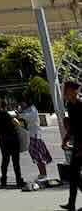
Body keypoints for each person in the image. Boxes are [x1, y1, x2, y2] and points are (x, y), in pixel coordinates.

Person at [0, 101, 25, 188]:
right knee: (15, 161)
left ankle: (3, 179)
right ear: (5, 106)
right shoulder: (7, 115)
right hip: (13, 138)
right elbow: (17, 123)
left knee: (5, 160)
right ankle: (18, 180)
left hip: (2, 139)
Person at [17, 98, 51, 181]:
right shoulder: (27, 110)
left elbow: (29, 117)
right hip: (31, 135)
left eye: (22, 103)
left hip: (35, 135)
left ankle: (44, 174)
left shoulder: (32, 109)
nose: (21, 105)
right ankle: (42, 173)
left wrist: (20, 114)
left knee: (39, 155)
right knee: (35, 156)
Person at [62, 80, 82, 211]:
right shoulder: (70, 105)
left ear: (75, 91)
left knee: (74, 174)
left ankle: (71, 204)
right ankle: (71, 204)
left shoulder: (81, 105)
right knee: (74, 175)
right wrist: (65, 139)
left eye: (67, 91)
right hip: (77, 143)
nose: (64, 93)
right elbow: (72, 126)